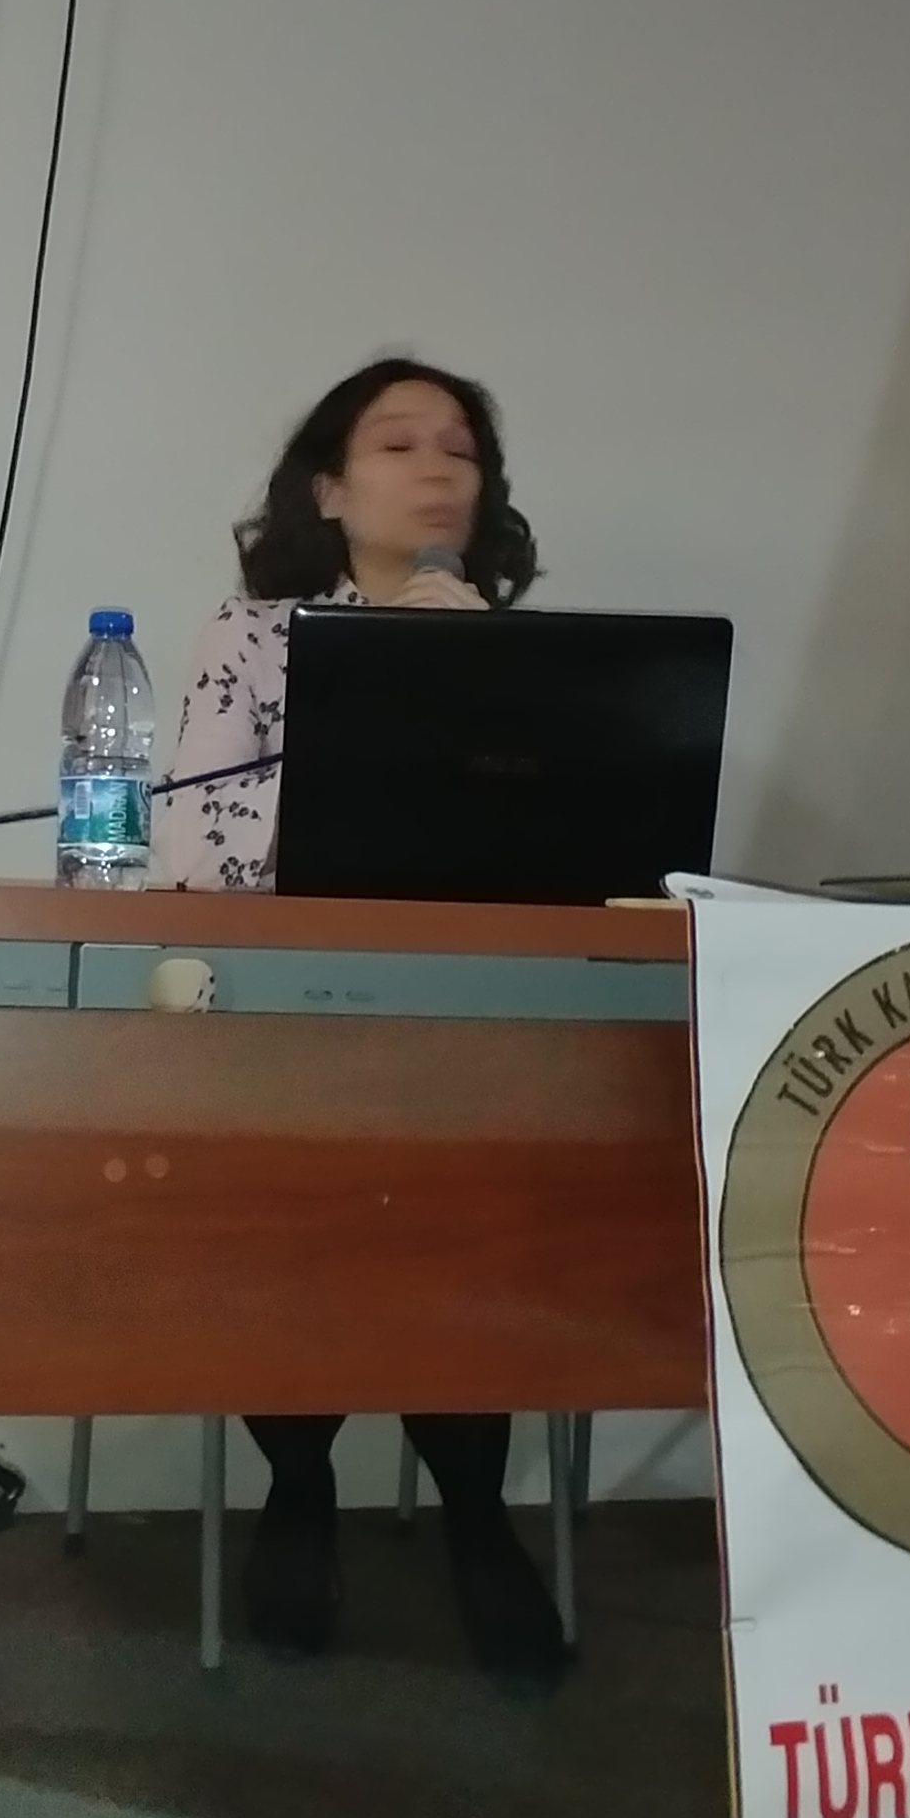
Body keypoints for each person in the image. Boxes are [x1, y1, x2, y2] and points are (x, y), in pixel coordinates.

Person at [155, 356, 575, 1690]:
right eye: (398, 445)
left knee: (477, 1221)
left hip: (468, 1024)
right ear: (330, 491)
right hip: (293, 1019)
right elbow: (199, 851)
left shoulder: (524, 657)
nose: (438, 467)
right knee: (297, 1215)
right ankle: (299, 1482)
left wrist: (472, 675)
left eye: (460, 447)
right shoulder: (251, 638)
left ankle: (475, 1511)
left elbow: (565, 862)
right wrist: (391, 678)